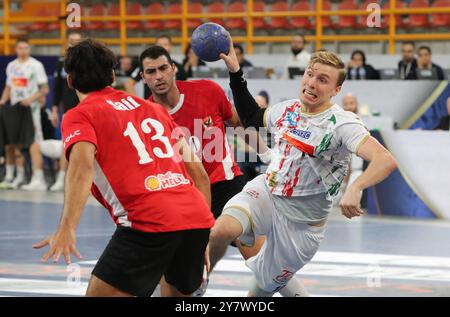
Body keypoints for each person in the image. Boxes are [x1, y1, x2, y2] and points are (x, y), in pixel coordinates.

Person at [208, 44, 398, 297]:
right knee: (221, 230)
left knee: (260, 293)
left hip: (301, 226)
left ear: (336, 90)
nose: (312, 83)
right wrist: (235, 72)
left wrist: (356, 187)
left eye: (323, 80)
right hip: (268, 192)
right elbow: (253, 117)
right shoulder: (288, 109)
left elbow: (385, 159)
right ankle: (197, 281)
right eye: (310, 74)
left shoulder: (342, 124)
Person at [33, 39, 214, 297]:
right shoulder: (154, 109)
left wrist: (67, 228)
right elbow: (199, 175)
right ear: (113, 74)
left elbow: (81, 168)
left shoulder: (80, 114)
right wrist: (201, 233)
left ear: (70, 81)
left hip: (147, 223)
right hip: (195, 218)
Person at [139, 45, 268, 294]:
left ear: (174, 69)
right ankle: (195, 277)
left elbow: (238, 123)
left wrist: (266, 155)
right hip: (181, 199)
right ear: (143, 77)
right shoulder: (145, 117)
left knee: (263, 261)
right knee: (174, 284)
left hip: (226, 186)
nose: (158, 76)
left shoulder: (207, 90)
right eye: (151, 71)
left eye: (163, 68)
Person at [0, 38, 49, 190]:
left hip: (31, 109)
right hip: (15, 109)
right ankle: (15, 176)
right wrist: (2, 100)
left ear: (29, 49)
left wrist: (31, 99)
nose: (23, 50)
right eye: (20, 48)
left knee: (34, 142)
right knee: (13, 142)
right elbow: (9, 87)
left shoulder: (36, 65)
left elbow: (44, 89)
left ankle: (38, 178)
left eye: (25, 48)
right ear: (16, 49)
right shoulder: (11, 66)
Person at [49, 31, 83, 192]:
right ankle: (62, 178)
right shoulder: (61, 63)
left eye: (78, 41)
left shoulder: (89, 62)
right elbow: (56, 88)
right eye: (72, 41)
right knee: (67, 144)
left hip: (85, 108)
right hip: (68, 110)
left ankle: (87, 182)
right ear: (67, 43)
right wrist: (55, 109)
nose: (74, 43)